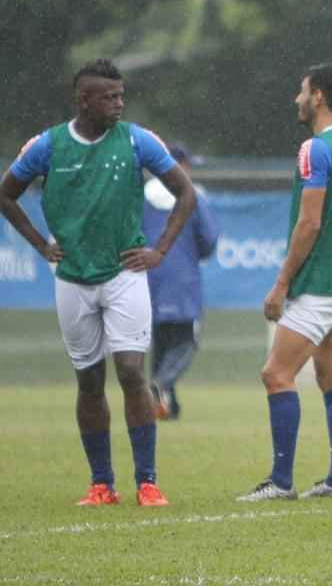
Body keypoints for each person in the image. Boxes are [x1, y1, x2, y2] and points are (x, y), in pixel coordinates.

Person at [0, 58, 196, 507]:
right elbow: (5, 193)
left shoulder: (139, 141)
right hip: (71, 277)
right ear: (83, 100)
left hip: (126, 273)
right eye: (110, 97)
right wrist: (38, 244)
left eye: (121, 95)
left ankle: (147, 481)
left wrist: (159, 250)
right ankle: (101, 484)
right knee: (89, 381)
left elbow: (184, 192)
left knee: (130, 370)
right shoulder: (48, 146)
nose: (119, 104)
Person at [238, 63, 332, 502]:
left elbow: (309, 223)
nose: (297, 98)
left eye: (302, 91)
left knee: (276, 374)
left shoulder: (315, 148)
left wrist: (281, 284)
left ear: (318, 97)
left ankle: (280, 481)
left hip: (319, 283)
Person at [144, 142, 220, 420]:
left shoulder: (141, 196)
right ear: (181, 166)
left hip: (147, 277)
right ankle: (160, 385)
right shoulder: (193, 196)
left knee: (161, 342)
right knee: (186, 342)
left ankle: (166, 406)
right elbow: (209, 241)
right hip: (182, 278)